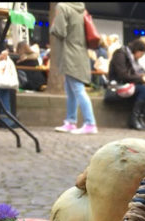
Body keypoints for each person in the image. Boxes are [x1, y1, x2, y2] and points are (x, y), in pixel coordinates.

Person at [50, 2, 98, 134]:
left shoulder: (62, 7)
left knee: (77, 90)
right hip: (80, 53)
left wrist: (52, 27)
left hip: (69, 54)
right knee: (71, 89)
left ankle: (90, 123)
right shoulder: (81, 9)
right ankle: (71, 121)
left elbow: (60, 31)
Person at [108, 38, 145, 130]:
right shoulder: (120, 54)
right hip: (118, 86)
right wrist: (142, 79)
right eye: (141, 54)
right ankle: (134, 118)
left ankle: (138, 118)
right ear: (137, 50)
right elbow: (122, 75)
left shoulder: (128, 55)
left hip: (127, 84)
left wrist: (143, 79)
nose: (140, 57)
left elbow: (132, 74)